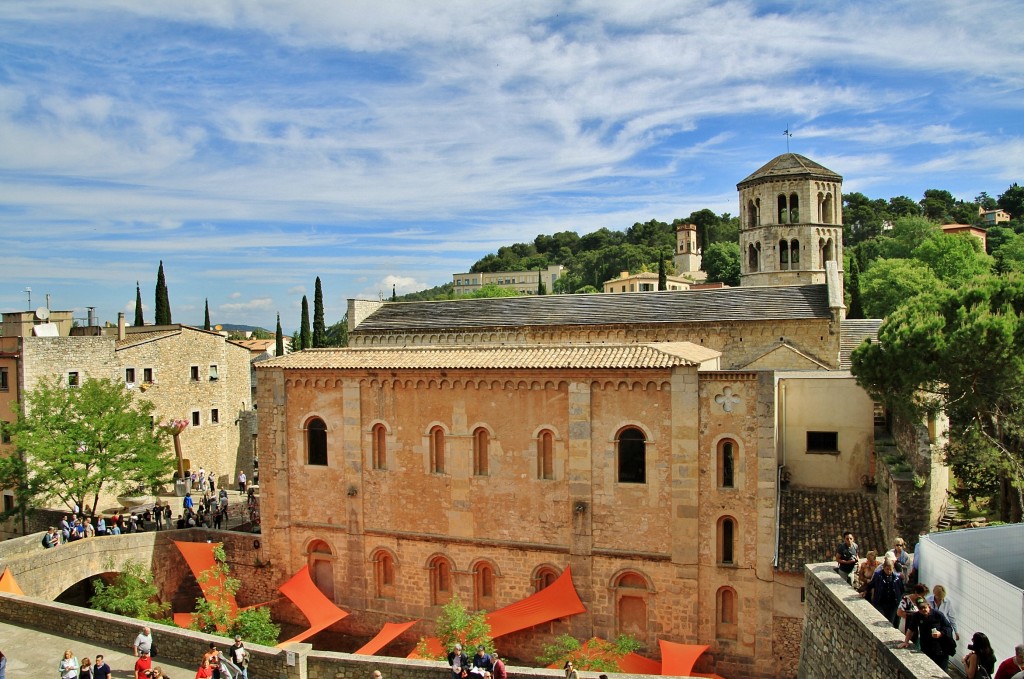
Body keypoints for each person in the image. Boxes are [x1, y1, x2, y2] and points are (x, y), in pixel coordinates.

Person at [899, 597, 955, 671]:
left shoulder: (938, 614)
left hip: (940, 647)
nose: (923, 610)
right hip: (926, 647)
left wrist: (940, 633)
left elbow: (948, 628)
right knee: (928, 669)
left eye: (924, 607)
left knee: (942, 669)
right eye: (920, 608)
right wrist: (906, 642)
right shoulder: (917, 616)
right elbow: (911, 629)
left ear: (928, 606)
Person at [865, 558, 904, 626]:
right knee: (880, 619)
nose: (889, 571)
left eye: (890, 569)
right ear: (883, 568)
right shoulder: (878, 575)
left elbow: (901, 589)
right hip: (880, 602)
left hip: (892, 604)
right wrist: (865, 592)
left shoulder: (897, 578)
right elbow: (871, 585)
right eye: (887, 569)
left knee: (890, 621)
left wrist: (899, 601)